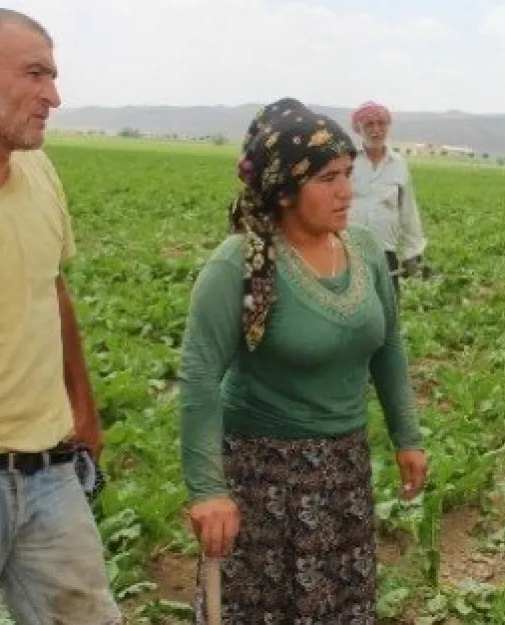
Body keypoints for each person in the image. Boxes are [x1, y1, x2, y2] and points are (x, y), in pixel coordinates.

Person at [177, 98, 429, 623]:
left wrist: (406, 436)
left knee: (338, 605)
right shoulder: (239, 265)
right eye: (328, 178)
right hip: (263, 478)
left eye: (348, 173)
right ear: (285, 188)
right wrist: (207, 490)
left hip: (344, 472)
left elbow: (389, 346)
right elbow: (200, 379)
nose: (346, 191)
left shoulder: (362, 250)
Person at [0, 7, 121, 624]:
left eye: (54, 76)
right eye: (35, 75)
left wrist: (83, 410)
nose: (54, 96)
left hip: (48, 471)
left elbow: (53, 292)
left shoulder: (38, 170)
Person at [348, 100, 431, 297]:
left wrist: (414, 252)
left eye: (381, 123)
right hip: (348, 251)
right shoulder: (347, 161)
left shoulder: (399, 164)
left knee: (388, 312)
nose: (376, 130)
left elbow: (408, 211)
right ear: (358, 129)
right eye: (369, 124)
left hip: (385, 254)